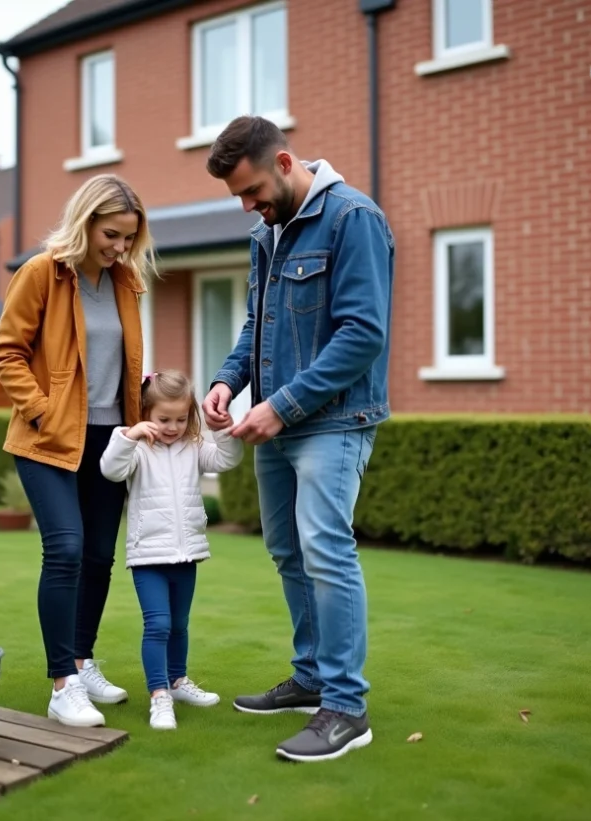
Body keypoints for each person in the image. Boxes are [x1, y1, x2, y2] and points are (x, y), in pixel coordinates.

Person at [200, 115, 395, 762]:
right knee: (288, 550)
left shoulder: (352, 218)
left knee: (325, 549)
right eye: (238, 197)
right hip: (278, 423)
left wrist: (280, 406)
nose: (247, 206)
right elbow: (260, 320)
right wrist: (230, 380)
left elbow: (363, 333)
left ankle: (346, 706)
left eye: (252, 190)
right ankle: (311, 678)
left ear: (284, 162)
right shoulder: (268, 233)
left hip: (332, 421)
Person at [0, 174, 156, 728]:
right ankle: (62, 683)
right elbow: (6, 353)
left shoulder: (126, 282)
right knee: (65, 548)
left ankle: (83, 662)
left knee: (98, 558)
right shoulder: (41, 273)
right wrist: (42, 410)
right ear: (85, 222)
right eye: (112, 235)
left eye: (129, 238)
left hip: (111, 441)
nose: (120, 247)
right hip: (48, 439)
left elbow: (121, 364)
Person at [99, 369, 244, 731]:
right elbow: (110, 470)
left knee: (179, 625)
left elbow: (227, 460)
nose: (172, 426)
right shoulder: (137, 449)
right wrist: (128, 436)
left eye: (181, 419)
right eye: (164, 418)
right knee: (159, 624)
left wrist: (222, 427)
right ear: (146, 413)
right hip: (148, 557)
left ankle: (178, 682)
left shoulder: (193, 447)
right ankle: (159, 695)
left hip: (186, 554)